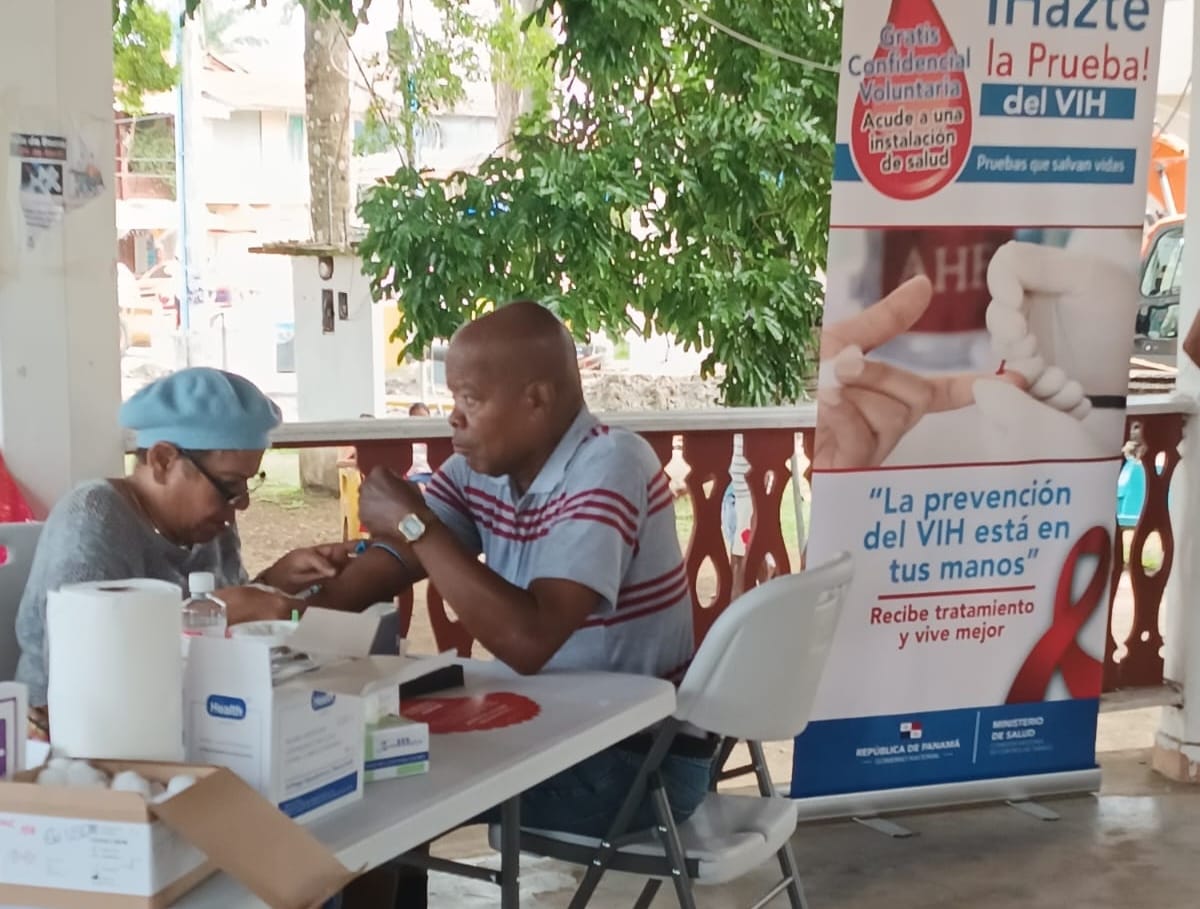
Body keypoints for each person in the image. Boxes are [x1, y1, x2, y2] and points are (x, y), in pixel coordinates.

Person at [309, 302, 711, 908]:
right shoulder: (485, 469)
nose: (454, 417)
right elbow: (398, 560)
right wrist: (292, 605)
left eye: (470, 399)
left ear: (536, 399)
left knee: (376, 785)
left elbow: (530, 641)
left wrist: (415, 524)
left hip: (636, 764)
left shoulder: (611, 465)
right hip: (556, 730)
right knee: (374, 761)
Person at [16, 367, 354, 740]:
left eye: (246, 484)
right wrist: (219, 610)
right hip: (76, 738)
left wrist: (274, 581)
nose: (240, 504)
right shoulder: (93, 517)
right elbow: (80, 663)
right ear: (163, 460)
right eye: (229, 485)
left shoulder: (207, 522)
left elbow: (220, 621)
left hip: (190, 722)